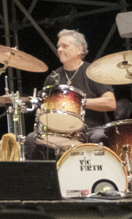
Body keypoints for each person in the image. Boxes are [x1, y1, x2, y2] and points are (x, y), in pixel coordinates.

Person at [24, 29, 116, 159]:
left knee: (99, 136)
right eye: (58, 47)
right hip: (59, 131)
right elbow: (41, 106)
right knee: (31, 139)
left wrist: (78, 103)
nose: (60, 50)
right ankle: (43, 178)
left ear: (79, 49)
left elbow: (110, 103)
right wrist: (40, 116)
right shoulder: (53, 77)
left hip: (90, 128)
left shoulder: (92, 72)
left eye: (65, 46)